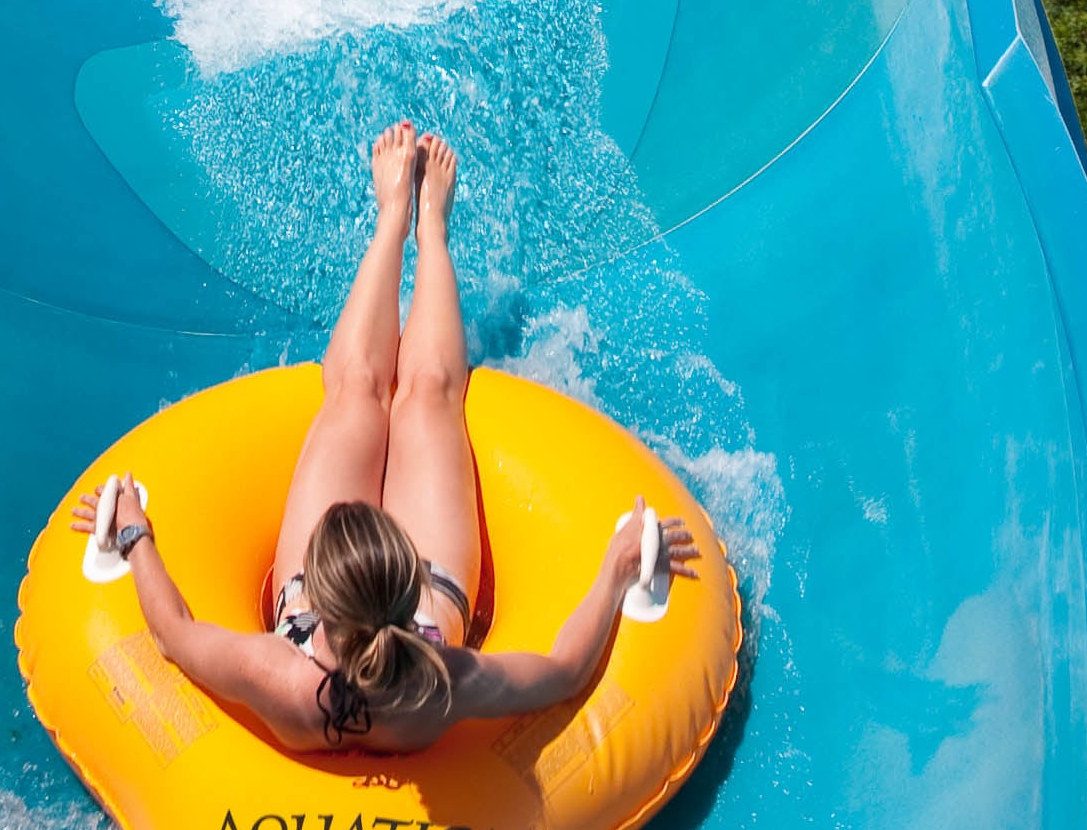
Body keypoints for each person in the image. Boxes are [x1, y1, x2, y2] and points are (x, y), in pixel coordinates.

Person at [76, 129, 699, 762]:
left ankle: (391, 219)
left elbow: (174, 634)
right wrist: (616, 571)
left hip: (359, 619)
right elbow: (563, 672)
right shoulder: (441, 684)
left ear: (316, 592)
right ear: (407, 577)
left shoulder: (276, 676)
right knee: (427, 395)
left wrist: (132, 534)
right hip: (440, 593)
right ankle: (429, 228)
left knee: (354, 390)